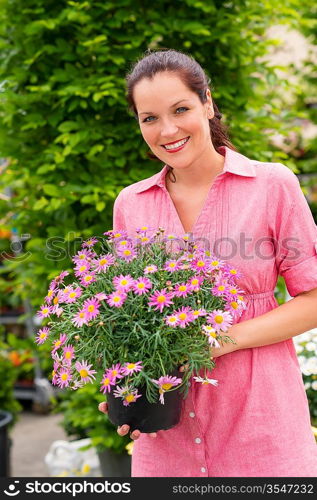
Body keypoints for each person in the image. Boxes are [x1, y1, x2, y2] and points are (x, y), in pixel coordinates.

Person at [98, 49, 317, 477]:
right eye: (149, 118)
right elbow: (129, 315)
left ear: (208, 104)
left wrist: (217, 341)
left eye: (181, 109)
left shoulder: (271, 185)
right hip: (166, 443)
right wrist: (124, 382)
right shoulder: (131, 205)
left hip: (262, 432)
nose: (168, 130)